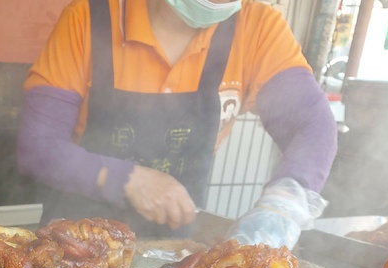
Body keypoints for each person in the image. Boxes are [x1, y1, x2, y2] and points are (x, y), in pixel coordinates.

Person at [17, 0, 338, 249]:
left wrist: (283, 205)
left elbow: (311, 124)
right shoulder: (89, 19)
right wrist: (124, 178)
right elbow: (38, 146)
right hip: (74, 251)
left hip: (174, 250)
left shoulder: (257, 28)